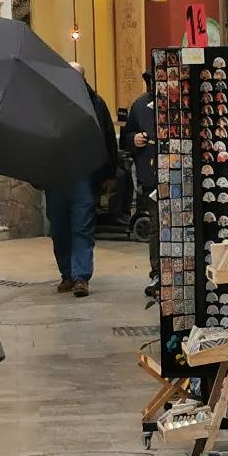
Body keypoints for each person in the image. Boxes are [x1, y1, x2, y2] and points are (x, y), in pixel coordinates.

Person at [47, 62, 117, 298]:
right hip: (57, 175)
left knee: (82, 227)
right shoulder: (52, 102)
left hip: (85, 176)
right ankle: (67, 273)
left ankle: (80, 277)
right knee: (59, 228)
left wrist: (110, 174)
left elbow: (109, 139)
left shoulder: (96, 104)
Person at [120, 71, 158, 289]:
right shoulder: (140, 105)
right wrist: (134, 139)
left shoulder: (180, 101)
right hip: (149, 174)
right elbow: (127, 137)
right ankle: (157, 272)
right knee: (156, 225)